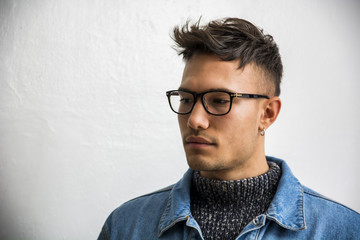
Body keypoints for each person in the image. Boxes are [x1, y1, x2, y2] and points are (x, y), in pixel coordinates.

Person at [98, 18, 360, 240]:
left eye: (220, 100)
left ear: (267, 113)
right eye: (186, 99)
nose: (195, 120)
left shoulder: (343, 230)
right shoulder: (126, 226)